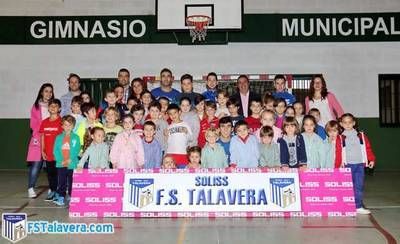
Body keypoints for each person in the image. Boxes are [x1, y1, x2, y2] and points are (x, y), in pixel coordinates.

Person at [339, 113, 375, 215]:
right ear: (341, 124)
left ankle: (358, 206)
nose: (347, 124)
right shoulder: (340, 137)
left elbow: (367, 148)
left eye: (350, 122)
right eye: (345, 122)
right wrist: (339, 163)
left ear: (354, 123)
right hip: (347, 165)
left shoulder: (361, 136)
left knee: (358, 186)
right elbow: (338, 152)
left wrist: (371, 159)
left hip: (359, 165)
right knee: (347, 187)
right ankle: (346, 206)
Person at [27, 83, 54, 198]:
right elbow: (33, 124)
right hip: (39, 138)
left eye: (50, 91)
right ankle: (30, 187)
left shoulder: (54, 106)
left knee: (50, 166)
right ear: (41, 92)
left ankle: (53, 188)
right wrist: (42, 133)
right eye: (46, 91)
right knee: (36, 165)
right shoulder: (36, 107)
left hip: (51, 139)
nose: (48, 93)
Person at [52, 115, 81, 206]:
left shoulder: (76, 137)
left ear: (73, 126)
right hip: (61, 164)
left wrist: (69, 160)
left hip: (72, 164)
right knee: (61, 182)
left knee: (72, 181)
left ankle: (72, 197)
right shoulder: (58, 137)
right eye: (65, 125)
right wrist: (60, 160)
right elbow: (55, 150)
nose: (67, 127)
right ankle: (61, 197)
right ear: (62, 126)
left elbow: (77, 149)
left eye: (70, 125)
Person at [39, 99, 63, 201]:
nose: (53, 108)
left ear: (59, 109)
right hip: (48, 153)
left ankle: (60, 192)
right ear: (48, 108)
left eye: (55, 106)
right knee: (50, 174)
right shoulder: (44, 122)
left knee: (60, 174)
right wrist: (42, 151)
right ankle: (52, 190)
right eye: (51, 106)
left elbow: (64, 137)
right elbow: (42, 137)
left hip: (59, 154)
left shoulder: (62, 122)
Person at [165, 104, 193, 168]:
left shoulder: (186, 124)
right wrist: (166, 136)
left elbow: (191, 139)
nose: (173, 115)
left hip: (183, 153)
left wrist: (187, 133)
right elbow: (167, 142)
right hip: (171, 153)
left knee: (182, 173)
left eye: (175, 113)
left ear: (179, 112)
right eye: (170, 114)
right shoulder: (169, 127)